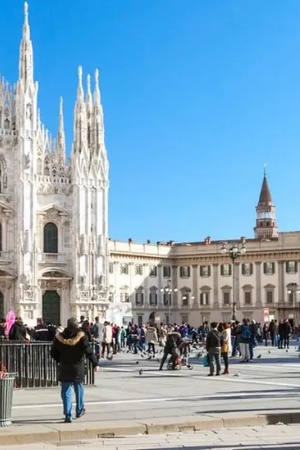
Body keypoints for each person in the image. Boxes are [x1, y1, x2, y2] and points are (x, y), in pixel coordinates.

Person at [51, 317, 99, 423]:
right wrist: (95, 363)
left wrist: (59, 359)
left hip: (64, 366)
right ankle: (79, 410)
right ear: (77, 325)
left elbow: (53, 352)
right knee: (79, 388)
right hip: (77, 366)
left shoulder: (60, 337)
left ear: (67, 325)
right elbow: (88, 350)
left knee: (66, 390)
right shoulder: (81, 336)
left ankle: (68, 415)